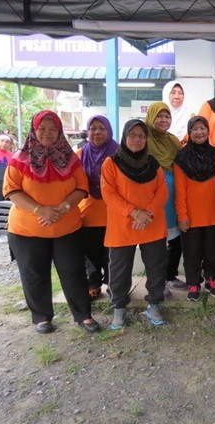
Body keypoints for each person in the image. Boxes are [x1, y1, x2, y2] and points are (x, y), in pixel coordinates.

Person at [3, 110, 100, 334]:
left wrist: (64, 207)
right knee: (34, 273)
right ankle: (42, 317)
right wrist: (40, 210)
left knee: (74, 271)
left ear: (59, 131)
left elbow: (82, 187)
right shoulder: (19, 159)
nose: (47, 133)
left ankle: (83, 315)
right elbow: (11, 191)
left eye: (52, 129)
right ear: (34, 130)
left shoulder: (70, 158)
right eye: (42, 128)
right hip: (27, 230)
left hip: (67, 227)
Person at [101, 119, 169, 329]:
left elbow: (162, 190)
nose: (137, 140)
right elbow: (109, 194)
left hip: (151, 223)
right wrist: (134, 212)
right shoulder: (111, 163)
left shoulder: (153, 163)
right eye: (132, 135)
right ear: (124, 137)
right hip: (123, 225)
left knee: (156, 267)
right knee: (119, 270)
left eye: (141, 136)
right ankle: (119, 307)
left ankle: (154, 304)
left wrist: (147, 213)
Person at [174, 116, 215, 302]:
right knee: (192, 252)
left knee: (213, 250)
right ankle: (193, 283)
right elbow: (179, 189)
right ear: (189, 132)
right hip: (191, 216)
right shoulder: (182, 157)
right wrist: (182, 215)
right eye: (194, 129)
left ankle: (211, 280)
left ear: (208, 130)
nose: (199, 132)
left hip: (214, 214)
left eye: (202, 128)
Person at [145, 102, 186, 297]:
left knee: (175, 240)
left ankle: (170, 276)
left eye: (167, 116)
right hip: (153, 199)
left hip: (173, 198)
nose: (163, 120)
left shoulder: (173, 141)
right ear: (151, 117)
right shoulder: (143, 139)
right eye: (159, 116)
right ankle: (157, 282)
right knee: (156, 244)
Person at [77, 115, 119, 300]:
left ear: (109, 130)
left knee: (112, 253)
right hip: (88, 211)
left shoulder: (119, 153)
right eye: (93, 128)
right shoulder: (79, 154)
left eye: (102, 128)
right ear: (87, 131)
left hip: (113, 211)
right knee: (90, 252)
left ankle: (112, 283)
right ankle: (93, 283)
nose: (97, 132)